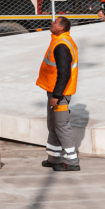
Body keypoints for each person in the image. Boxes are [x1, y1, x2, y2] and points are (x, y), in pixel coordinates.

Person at [38, 16, 80, 171]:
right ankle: (54, 158)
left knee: (61, 125)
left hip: (60, 94)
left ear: (61, 27)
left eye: (55, 22)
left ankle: (72, 162)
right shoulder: (59, 41)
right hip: (55, 91)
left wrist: (56, 95)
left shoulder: (62, 45)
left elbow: (64, 73)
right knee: (53, 125)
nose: (52, 23)